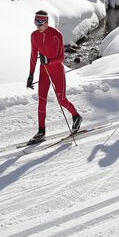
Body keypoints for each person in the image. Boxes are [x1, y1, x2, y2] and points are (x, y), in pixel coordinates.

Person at [26, 9, 82, 143]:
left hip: (56, 70)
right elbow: (34, 56)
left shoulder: (56, 34)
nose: (37, 25)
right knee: (41, 100)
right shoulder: (34, 36)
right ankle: (41, 131)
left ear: (46, 22)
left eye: (40, 23)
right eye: (35, 22)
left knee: (61, 99)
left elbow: (61, 57)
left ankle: (76, 116)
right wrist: (31, 75)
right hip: (43, 70)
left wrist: (50, 61)